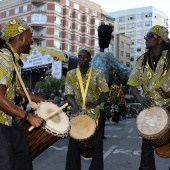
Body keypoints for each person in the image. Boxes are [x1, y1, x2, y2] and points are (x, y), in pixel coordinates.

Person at [0, 17, 46, 170]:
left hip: (8, 121)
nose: (32, 40)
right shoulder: (3, 58)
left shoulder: (13, 60)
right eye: (30, 36)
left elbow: (19, 89)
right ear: (21, 38)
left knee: (23, 160)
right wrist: (28, 116)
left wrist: (41, 101)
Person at [127, 25, 170, 170]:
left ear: (160, 39)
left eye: (150, 36)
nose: (147, 38)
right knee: (146, 149)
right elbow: (133, 85)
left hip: (169, 105)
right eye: (146, 35)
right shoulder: (142, 60)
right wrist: (140, 98)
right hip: (150, 109)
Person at [65, 45, 109, 170]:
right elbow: (68, 93)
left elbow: (105, 93)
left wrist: (95, 103)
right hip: (77, 114)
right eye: (80, 56)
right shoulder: (71, 74)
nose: (82, 59)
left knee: (97, 148)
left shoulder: (98, 74)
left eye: (85, 57)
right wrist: (73, 104)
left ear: (90, 59)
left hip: (95, 114)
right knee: (73, 147)